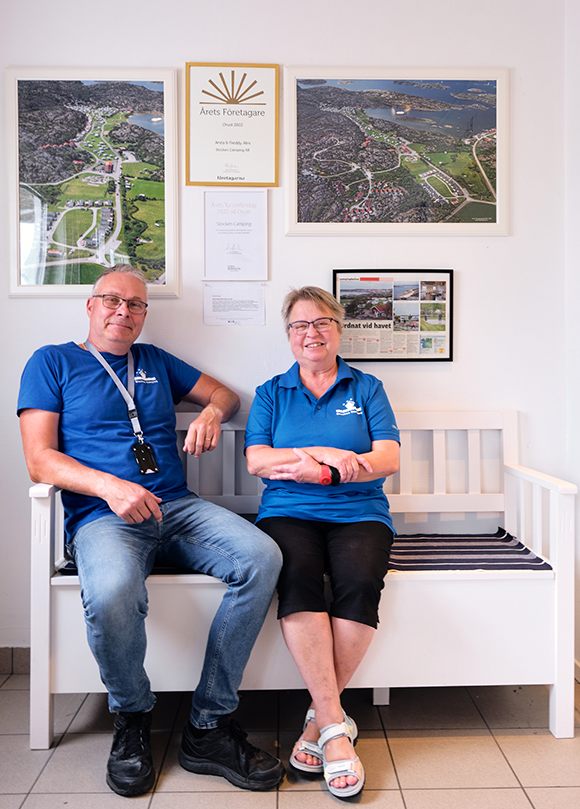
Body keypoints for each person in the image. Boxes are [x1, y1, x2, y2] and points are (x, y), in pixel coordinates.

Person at [18, 264, 284, 797]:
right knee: (114, 590)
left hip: (177, 509)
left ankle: (208, 725)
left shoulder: (156, 362)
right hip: (105, 520)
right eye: (113, 300)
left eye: (136, 304)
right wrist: (110, 488)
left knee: (263, 557)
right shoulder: (52, 361)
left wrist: (210, 412)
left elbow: (227, 396)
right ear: (91, 306)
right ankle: (133, 718)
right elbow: (39, 460)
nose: (124, 311)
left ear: (144, 315)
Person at [244, 286, 400, 799]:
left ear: (338, 329)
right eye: (299, 326)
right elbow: (257, 460)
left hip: (360, 511)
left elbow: (388, 458)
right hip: (288, 512)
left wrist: (322, 473)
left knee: (358, 580)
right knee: (296, 576)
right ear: (288, 335)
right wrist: (323, 453)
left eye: (321, 323)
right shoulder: (272, 391)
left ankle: (318, 724)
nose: (310, 333)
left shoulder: (368, 387)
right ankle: (335, 723)